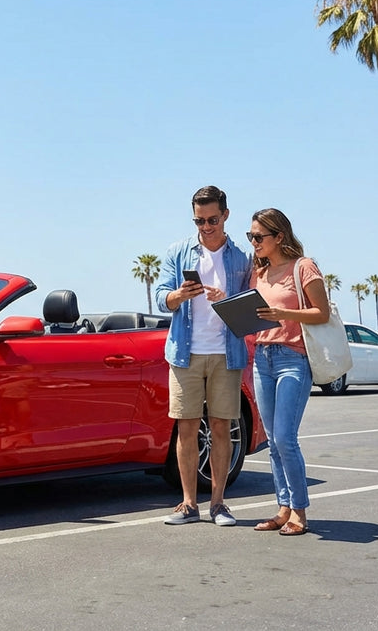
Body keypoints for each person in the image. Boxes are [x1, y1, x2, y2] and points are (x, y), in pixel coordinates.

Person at [154, 186, 253, 526]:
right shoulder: (178, 252)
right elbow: (161, 298)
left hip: (226, 353)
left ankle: (218, 504)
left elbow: (252, 305)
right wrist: (180, 295)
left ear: (225, 215)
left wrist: (227, 299)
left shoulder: (242, 258)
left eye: (213, 220)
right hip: (185, 353)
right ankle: (188, 504)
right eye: (199, 221)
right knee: (187, 427)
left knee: (222, 426)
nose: (206, 227)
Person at [246, 208, 331, 536]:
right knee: (272, 441)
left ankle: (299, 512)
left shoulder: (303, 267)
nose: (254, 242)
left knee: (285, 438)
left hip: (292, 359)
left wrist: (283, 313)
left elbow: (321, 313)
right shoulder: (259, 273)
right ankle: (283, 509)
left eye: (258, 236)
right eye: (251, 236)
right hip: (262, 358)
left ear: (279, 236)